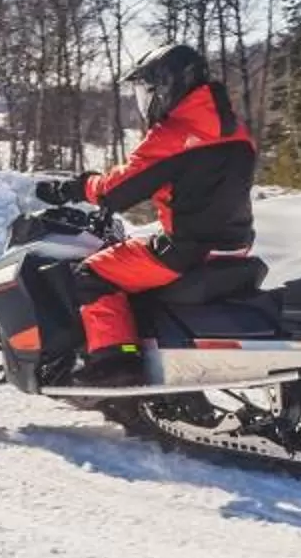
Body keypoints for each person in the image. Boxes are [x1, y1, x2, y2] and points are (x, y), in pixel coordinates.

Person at [32, 42, 257, 386]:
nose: (144, 101)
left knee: (90, 272)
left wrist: (75, 188)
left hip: (185, 251)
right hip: (233, 247)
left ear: (167, 87)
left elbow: (117, 190)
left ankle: (114, 365)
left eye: (146, 91)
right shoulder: (236, 130)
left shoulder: (174, 132)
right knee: (135, 253)